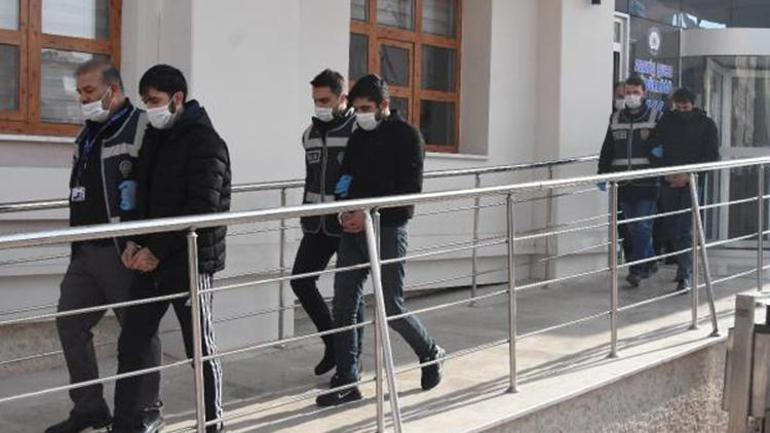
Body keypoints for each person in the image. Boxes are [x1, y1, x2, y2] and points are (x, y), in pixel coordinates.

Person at [112, 64, 231, 433]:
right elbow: (137, 193)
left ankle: (213, 424)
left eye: (155, 101)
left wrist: (157, 252)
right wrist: (131, 241)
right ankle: (125, 424)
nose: (150, 109)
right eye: (146, 101)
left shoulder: (207, 143)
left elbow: (202, 208)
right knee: (131, 343)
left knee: (200, 348)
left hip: (190, 261)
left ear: (177, 98)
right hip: (149, 261)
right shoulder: (154, 137)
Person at [46, 59, 161, 433]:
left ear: (113, 89)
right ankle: (89, 407)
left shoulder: (141, 126)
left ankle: (147, 409)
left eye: (90, 91)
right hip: (85, 251)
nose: (84, 99)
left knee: (139, 330)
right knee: (70, 322)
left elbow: (157, 187)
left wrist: (144, 243)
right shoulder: (87, 133)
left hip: (122, 251)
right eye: (80, 92)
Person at [316, 74, 445, 407]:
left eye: (366, 108)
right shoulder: (359, 136)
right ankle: (348, 379)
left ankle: (430, 351)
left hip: (388, 229)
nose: (360, 115)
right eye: (357, 109)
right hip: (354, 230)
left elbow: (409, 192)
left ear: (384, 105)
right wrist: (345, 209)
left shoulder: (408, 136)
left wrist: (369, 213)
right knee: (343, 304)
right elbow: (347, 176)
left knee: (391, 307)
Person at [291, 69, 364, 376]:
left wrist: (359, 210)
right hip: (315, 224)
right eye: (315, 100)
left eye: (325, 100)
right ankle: (333, 344)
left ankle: (352, 362)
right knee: (300, 280)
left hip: (347, 224)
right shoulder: (309, 134)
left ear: (342, 98)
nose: (319, 106)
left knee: (350, 295)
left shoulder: (357, 130)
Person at [598, 76, 663, 288]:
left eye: (635, 92)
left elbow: (664, 144)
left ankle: (637, 269)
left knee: (642, 227)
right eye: (628, 92)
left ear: (644, 93)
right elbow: (608, 147)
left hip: (647, 181)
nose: (631, 96)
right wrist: (602, 172)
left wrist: (661, 160)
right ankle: (650, 261)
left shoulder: (655, 116)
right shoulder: (616, 117)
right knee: (634, 229)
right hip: (624, 182)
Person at [654, 87, 719, 292]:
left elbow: (711, 156)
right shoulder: (666, 122)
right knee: (672, 226)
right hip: (669, 180)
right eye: (679, 106)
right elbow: (653, 148)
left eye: (686, 106)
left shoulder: (706, 124)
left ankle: (685, 273)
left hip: (692, 181)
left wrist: (688, 175)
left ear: (693, 104)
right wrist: (666, 172)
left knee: (685, 229)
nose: (682, 110)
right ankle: (683, 266)